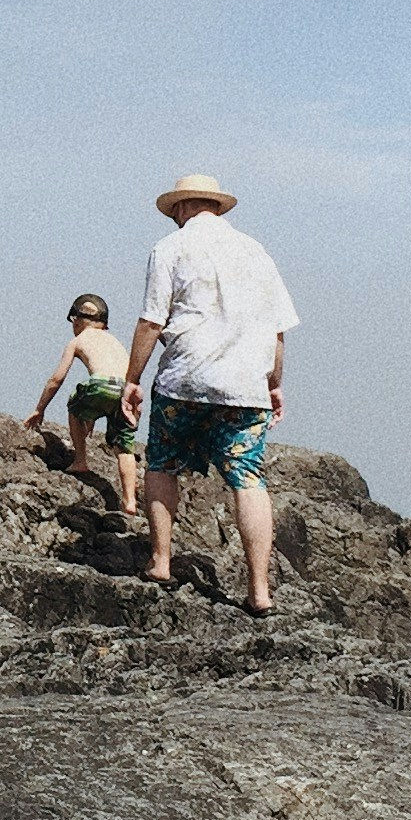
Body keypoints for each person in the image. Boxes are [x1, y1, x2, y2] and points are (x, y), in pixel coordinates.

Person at [118, 175, 298, 614]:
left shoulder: (170, 248)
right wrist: (274, 384)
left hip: (186, 378)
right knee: (248, 478)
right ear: (216, 208)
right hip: (246, 386)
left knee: (163, 463)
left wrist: (132, 379)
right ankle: (259, 591)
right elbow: (277, 332)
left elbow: (150, 321)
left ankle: (161, 561)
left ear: (181, 209)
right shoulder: (257, 252)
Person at [25, 292, 140, 513]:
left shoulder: (78, 341)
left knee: (75, 404)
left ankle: (80, 460)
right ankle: (130, 499)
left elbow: (56, 379)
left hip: (100, 386)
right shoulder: (115, 341)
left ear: (76, 320)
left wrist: (40, 409)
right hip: (126, 392)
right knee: (124, 446)